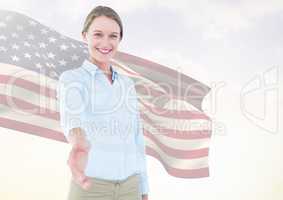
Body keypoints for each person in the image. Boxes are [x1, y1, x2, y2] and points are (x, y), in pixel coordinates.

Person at [57, 5, 149, 200]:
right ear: (85, 36)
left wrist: (143, 188)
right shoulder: (72, 79)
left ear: (120, 39)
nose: (105, 43)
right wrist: (79, 145)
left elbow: (136, 139)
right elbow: (73, 121)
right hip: (91, 187)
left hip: (130, 188)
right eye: (98, 34)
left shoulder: (127, 84)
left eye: (113, 36)